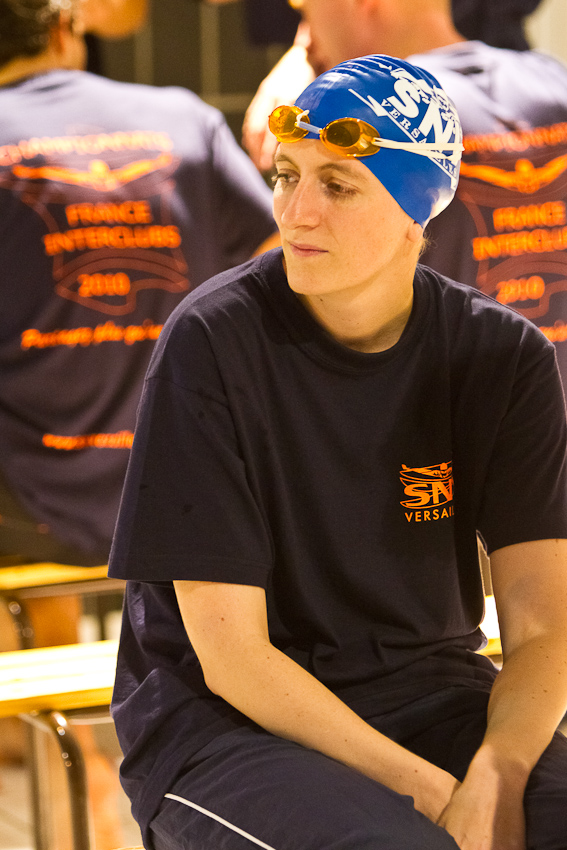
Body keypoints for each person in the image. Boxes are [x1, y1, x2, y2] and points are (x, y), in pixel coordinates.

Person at [109, 55, 567, 850]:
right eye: (286, 175)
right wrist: (432, 793)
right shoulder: (213, 341)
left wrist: (497, 773)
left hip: (435, 698)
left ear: (416, 211)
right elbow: (233, 660)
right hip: (224, 727)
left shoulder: (500, 356)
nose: (295, 213)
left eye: (338, 185)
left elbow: (543, 626)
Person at [0, 0, 275, 844]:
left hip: (29, 512)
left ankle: (78, 792)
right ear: (64, 24)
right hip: (188, 497)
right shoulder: (182, 120)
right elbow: (277, 264)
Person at [239, 0, 567, 397]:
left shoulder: (383, 123)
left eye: (306, 10)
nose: (303, 38)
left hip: (438, 422)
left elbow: (266, 299)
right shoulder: (553, 81)